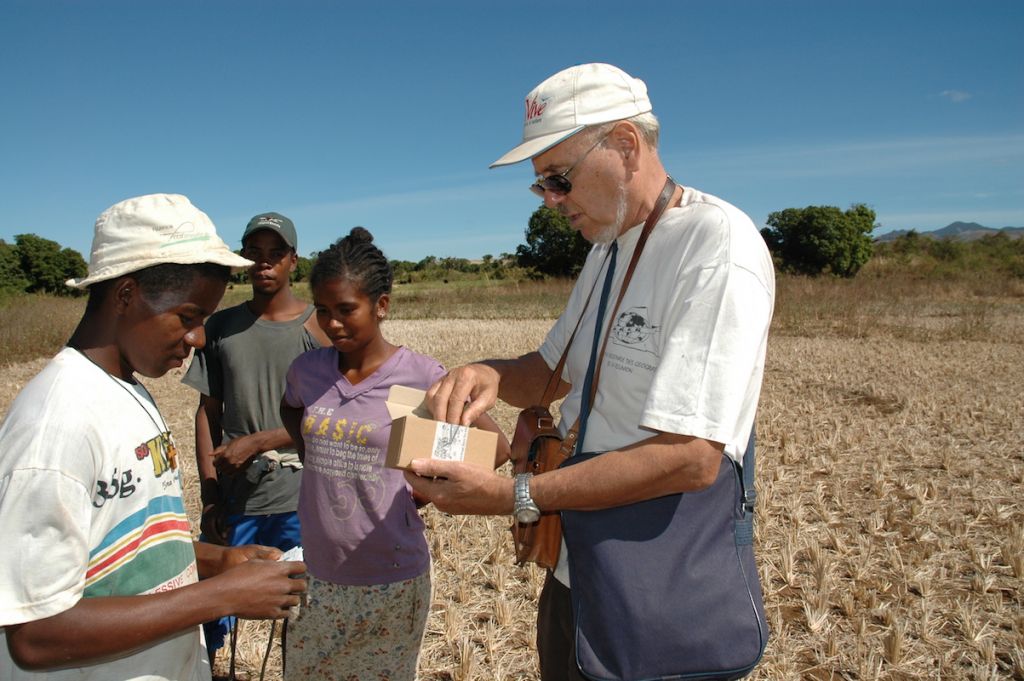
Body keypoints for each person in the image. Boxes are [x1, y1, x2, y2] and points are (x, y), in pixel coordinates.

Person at [404, 63, 776, 680]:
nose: (550, 201)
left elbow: (690, 457)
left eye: (558, 178)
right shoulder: (607, 248)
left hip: (659, 583)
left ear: (626, 145)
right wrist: (490, 373)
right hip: (578, 565)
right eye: (540, 186)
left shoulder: (716, 247)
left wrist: (513, 495)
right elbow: (553, 372)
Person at [0, 193, 307, 681]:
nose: (199, 339)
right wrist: (222, 596)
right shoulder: (55, 427)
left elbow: (124, 547)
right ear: (125, 296)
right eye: (188, 317)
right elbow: (35, 634)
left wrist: (217, 560)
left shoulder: (128, 390)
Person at [279, 227, 511, 680]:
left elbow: (494, 449)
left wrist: (423, 489)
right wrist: (317, 457)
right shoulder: (307, 371)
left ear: (381, 305)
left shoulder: (421, 377)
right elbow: (292, 411)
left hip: (391, 577)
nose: (333, 324)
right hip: (317, 574)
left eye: (346, 310)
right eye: (323, 311)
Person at [182, 211, 328, 663]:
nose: (265, 263)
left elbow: (335, 419)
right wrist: (209, 495)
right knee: (214, 617)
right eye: (255, 253)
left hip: (299, 496)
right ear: (243, 259)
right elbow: (207, 413)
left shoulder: (318, 327)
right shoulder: (220, 329)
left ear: (293, 261)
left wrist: (261, 440)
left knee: (300, 616)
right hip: (236, 499)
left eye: (276, 254)